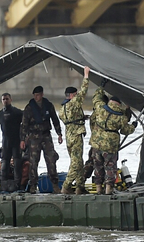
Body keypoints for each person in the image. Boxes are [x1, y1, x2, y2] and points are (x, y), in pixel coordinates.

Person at [90, 87, 136, 195]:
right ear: (119, 104)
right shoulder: (121, 117)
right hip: (110, 146)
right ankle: (108, 190)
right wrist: (133, 126)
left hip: (96, 143)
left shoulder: (100, 108)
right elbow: (126, 130)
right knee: (110, 168)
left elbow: (96, 98)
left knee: (97, 167)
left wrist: (101, 87)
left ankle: (98, 189)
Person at [20, 85, 63, 193]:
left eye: (38, 95)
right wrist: (22, 139)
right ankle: (33, 185)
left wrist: (59, 134)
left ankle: (55, 185)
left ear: (42, 94)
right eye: (35, 95)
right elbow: (24, 125)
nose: (36, 97)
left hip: (46, 136)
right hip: (34, 137)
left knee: (51, 160)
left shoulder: (48, 105)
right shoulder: (29, 108)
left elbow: (55, 119)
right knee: (33, 162)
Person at [59, 66, 90, 195]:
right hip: (76, 136)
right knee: (76, 163)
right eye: (75, 95)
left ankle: (79, 187)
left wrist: (82, 117)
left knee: (78, 161)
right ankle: (66, 186)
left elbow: (70, 120)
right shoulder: (73, 103)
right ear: (71, 95)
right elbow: (83, 92)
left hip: (69, 137)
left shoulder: (62, 109)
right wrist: (86, 76)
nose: (77, 96)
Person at [0, 93, 23, 190]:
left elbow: (26, 124)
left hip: (16, 142)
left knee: (17, 164)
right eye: (3, 99)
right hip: (6, 143)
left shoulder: (18, 112)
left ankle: (18, 185)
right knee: (4, 164)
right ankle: (3, 184)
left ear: (11, 100)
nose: (5, 101)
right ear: (1, 101)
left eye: (7, 99)